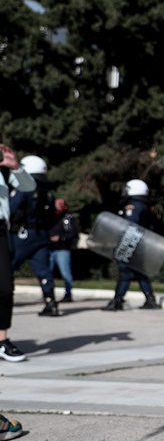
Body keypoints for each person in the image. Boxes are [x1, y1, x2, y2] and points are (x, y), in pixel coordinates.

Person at [9, 155, 60, 317]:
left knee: (6, 268)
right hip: (41, 235)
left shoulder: (24, 187)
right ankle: (50, 302)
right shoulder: (49, 193)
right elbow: (53, 215)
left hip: (22, 235)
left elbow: (11, 209)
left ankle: (5, 300)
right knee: (44, 271)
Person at [0, 144, 37, 362]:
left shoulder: (3, 170)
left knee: (4, 288)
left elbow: (28, 186)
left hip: (0, 231)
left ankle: (2, 342)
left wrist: (15, 167)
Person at [104, 179, 162, 312]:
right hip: (140, 244)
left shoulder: (133, 206)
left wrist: (123, 246)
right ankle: (150, 299)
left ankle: (117, 300)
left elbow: (131, 226)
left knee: (124, 272)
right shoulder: (144, 205)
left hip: (130, 243)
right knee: (140, 272)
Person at [48, 198, 80, 303]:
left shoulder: (69, 219)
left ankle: (68, 294)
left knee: (66, 273)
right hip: (50, 248)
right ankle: (47, 294)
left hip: (62, 249)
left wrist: (61, 238)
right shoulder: (50, 218)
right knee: (47, 273)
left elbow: (74, 234)